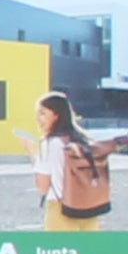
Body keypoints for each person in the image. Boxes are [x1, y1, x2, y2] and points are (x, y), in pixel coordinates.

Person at [32, 90, 114, 230]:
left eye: (42, 113)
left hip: (61, 211)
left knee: (60, 251)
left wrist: (32, 153)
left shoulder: (50, 144)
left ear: (56, 115)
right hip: (90, 211)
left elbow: (43, 186)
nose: (37, 118)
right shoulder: (84, 140)